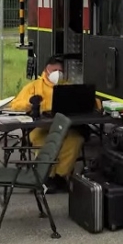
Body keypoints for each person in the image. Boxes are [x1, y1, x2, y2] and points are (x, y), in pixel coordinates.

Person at [6, 56, 86, 193]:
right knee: (47, 144)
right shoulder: (34, 87)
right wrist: (30, 103)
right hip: (39, 128)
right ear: (46, 70)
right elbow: (15, 105)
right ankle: (47, 176)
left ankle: (59, 177)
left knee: (75, 140)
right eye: (54, 70)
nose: (58, 74)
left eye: (60, 71)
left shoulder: (69, 87)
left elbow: (87, 101)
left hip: (63, 128)